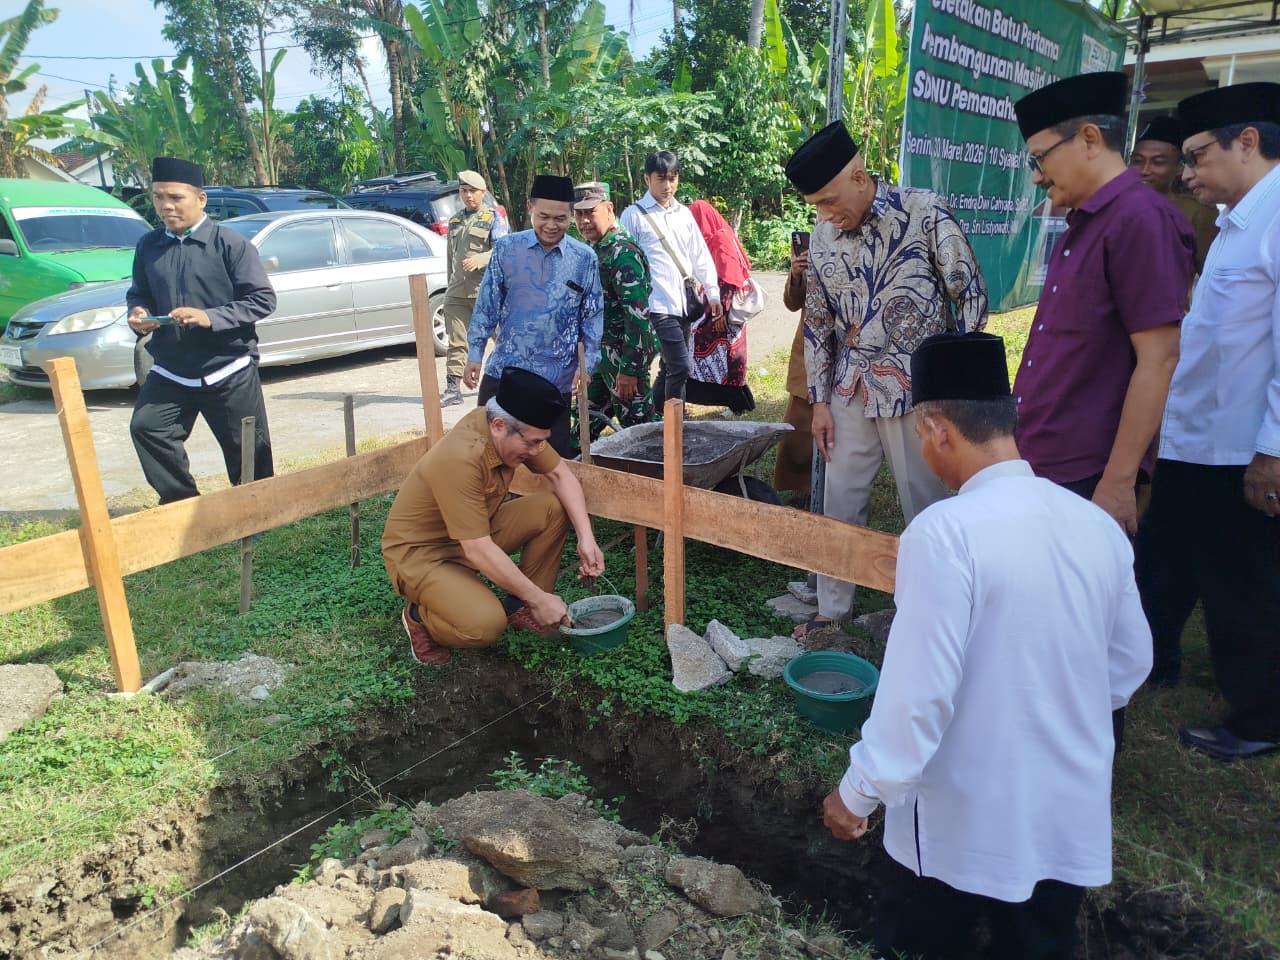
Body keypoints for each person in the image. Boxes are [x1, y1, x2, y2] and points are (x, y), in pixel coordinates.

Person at [822, 331, 1152, 960]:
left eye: (921, 436)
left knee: (920, 944)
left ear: (937, 428)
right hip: (1062, 817)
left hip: (960, 825)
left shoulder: (945, 533)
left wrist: (857, 792)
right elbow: (1128, 665)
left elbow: (918, 697)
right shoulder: (1094, 525)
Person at [782, 120, 988, 642]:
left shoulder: (924, 212)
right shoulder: (823, 237)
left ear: (859, 176)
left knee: (926, 503)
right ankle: (832, 609)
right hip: (850, 388)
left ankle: (939, 608)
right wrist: (819, 401)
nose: (825, 215)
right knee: (840, 499)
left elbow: (969, 294)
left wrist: (955, 386)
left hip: (919, 392)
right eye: (815, 206)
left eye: (829, 201)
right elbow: (818, 323)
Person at [1134, 82, 1280, 759]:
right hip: (1194, 438)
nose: (1187, 173)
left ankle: (1259, 719)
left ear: (1247, 142)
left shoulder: (1275, 218)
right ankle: (1150, 661)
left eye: (1196, 157)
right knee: (1165, 559)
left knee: (1240, 583)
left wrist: (1272, 452)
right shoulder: (1236, 220)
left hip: (1238, 448)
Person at [1011, 72, 1194, 534]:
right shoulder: (1085, 221)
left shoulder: (1141, 220)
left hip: (1088, 469)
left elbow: (1159, 358)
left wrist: (1117, 482)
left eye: (1040, 158)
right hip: (1046, 450)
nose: (1036, 175)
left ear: (1089, 139)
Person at [382, 367, 606, 665]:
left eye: (541, 441)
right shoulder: (461, 458)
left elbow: (560, 475)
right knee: (485, 625)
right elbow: (477, 548)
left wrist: (586, 539)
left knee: (553, 508)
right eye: (532, 442)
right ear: (499, 426)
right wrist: (539, 597)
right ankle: (419, 618)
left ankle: (522, 608)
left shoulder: (510, 424)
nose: (536, 450)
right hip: (422, 554)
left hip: (474, 532)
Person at [127, 157, 276, 505]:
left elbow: (262, 299)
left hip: (228, 367)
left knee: (248, 449)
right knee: (147, 427)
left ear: (200, 199)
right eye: (158, 197)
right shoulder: (148, 246)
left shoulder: (230, 244)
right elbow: (139, 293)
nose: (166, 205)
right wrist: (140, 313)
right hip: (172, 368)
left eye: (175, 197)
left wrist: (210, 317)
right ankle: (183, 505)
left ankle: (257, 512)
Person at [464, 175, 603, 457]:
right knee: (489, 455)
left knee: (549, 461)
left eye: (560, 219)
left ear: (571, 215)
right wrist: (475, 353)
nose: (551, 225)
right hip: (505, 374)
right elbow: (487, 304)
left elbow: (592, 316)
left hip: (555, 381)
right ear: (530, 208)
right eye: (543, 217)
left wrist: (587, 364)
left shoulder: (584, 258)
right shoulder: (506, 249)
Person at [618, 151, 724, 410]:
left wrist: (713, 293)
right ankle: (675, 421)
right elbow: (624, 261)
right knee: (680, 366)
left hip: (683, 304)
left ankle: (660, 420)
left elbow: (699, 255)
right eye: (661, 178)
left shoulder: (683, 214)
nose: (668, 185)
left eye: (673, 178)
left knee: (669, 367)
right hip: (654, 305)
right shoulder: (634, 215)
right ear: (647, 179)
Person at [569, 180, 657, 449]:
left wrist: (630, 370)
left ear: (609, 209)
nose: (584, 221)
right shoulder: (597, 247)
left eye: (590, 213)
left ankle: (667, 469)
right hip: (601, 358)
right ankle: (575, 464)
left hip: (624, 358)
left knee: (641, 432)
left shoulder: (622, 253)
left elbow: (637, 315)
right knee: (584, 420)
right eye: (579, 214)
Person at [440, 170, 508, 407]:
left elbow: (503, 250)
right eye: (463, 191)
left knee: (503, 340)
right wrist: (449, 284)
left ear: (482, 193)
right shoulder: (455, 221)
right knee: (457, 342)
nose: (468, 195)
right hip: (458, 293)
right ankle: (452, 388)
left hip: (486, 292)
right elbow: (451, 258)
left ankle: (509, 383)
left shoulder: (493, 219)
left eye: (472, 191)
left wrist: (480, 259)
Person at [684, 199, 755, 413]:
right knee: (723, 357)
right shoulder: (718, 237)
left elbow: (729, 278)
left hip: (723, 311)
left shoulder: (720, 239)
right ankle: (736, 403)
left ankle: (736, 403)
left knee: (729, 358)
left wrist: (721, 312)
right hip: (719, 309)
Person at [1129, 115, 1219, 278]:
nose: (1144, 170)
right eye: (1137, 160)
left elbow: (1209, 275)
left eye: (1158, 162)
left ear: (1179, 168)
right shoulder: (1117, 206)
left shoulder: (1197, 213)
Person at [773, 236, 813, 497]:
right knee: (799, 429)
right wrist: (796, 275)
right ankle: (803, 490)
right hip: (809, 354)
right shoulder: (811, 244)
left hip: (849, 349)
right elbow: (792, 303)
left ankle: (833, 493)